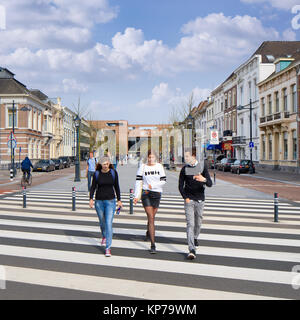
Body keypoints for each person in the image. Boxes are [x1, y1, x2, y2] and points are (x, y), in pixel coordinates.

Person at [178, 148, 212, 260]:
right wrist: (185, 197)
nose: (186, 158)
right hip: (189, 200)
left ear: (193, 156)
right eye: (185, 156)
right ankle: (191, 249)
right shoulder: (184, 169)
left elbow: (210, 184)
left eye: (187, 156)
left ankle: (195, 237)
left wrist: (203, 179)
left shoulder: (202, 167)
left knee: (198, 223)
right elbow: (180, 186)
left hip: (200, 199)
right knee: (190, 224)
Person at [133, 150, 166, 254]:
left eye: (152, 157)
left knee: (152, 217)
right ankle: (153, 244)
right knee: (151, 217)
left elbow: (163, 180)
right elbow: (138, 182)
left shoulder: (159, 167)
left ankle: (148, 232)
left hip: (156, 193)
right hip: (146, 193)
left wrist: (155, 185)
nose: (151, 159)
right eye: (149, 157)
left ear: (155, 158)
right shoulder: (142, 167)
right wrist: (136, 196)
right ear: (147, 157)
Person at [89, 156, 122, 257]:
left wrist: (119, 200)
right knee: (102, 222)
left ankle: (108, 248)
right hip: (99, 202)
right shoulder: (97, 174)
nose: (105, 166)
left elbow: (117, 186)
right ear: (100, 164)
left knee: (108, 223)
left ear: (109, 164)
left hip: (110, 202)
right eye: (104, 164)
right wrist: (91, 199)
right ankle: (104, 236)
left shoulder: (113, 173)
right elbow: (93, 187)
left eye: (107, 164)